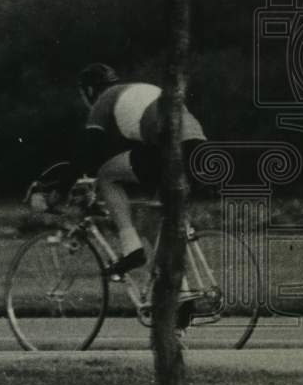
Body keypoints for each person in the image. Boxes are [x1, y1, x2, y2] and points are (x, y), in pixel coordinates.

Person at [30, 64, 207, 289]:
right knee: (154, 221)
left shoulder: (104, 100)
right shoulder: (139, 90)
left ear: (90, 91)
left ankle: (131, 249)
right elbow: (118, 155)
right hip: (199, 150)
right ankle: (179, 296)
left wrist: (60, 190)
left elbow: (88, 152)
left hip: (171, 150)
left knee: (107, 177)